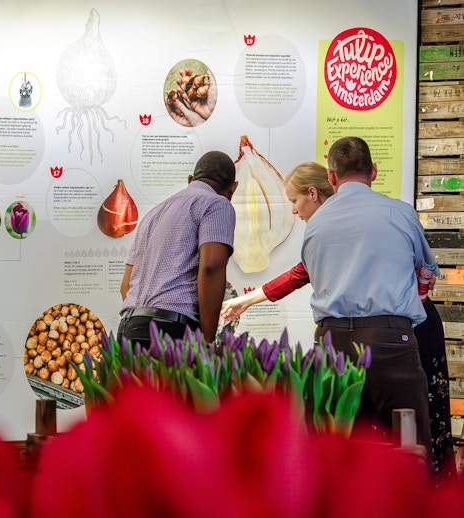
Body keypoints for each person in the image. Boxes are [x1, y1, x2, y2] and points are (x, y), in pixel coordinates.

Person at [220, 160, 454, 475]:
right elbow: (425, 274)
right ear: (372, 171)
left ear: (315, 191)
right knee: (409, 435)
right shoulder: (393, 212)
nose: (293, 210)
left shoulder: (322, 225)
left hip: (385, 333)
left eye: (294, 201)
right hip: (401, 330)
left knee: (374, 435)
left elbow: (300, 274)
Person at [302, 136, 438, 458]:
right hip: (391, 343)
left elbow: (311, 272)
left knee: (337, 450)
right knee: (409, 446)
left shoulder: (314, 223)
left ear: (331, 176)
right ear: (373, 171)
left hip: (332, 345)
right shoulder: (401, 214)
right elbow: (427, 273)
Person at [118, 150, 238, 348]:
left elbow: (126, 285)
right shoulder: (216, 204)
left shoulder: (153, 213)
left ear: (191, 179)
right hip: (171, 330)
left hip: (129, 328)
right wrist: (207, 341)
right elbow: (211, 268)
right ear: (233, 188)